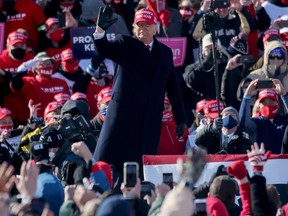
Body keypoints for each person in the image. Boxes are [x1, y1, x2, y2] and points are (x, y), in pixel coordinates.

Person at [92, 6, 187, 176]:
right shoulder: (124, 43)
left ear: (155, 27)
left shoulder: (165, 53)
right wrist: (100, 31)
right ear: (133, 27)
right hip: (122, 117)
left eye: (147, 25)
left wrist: (181, 119)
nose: (143, 28)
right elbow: (103, 49)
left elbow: (173, 87)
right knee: (108, 164)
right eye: (139, 25)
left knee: (142, 169)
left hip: (149, 119)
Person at [240, 80, 288, 154]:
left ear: (277, 104)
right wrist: (247, 96)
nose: (268, 105)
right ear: (259, 106)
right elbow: (243, 123)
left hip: (282, 163)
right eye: (264, 103)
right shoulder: (256, 122)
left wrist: (284, 95)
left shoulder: (284, 120)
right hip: (261, 163)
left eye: (271, 102)